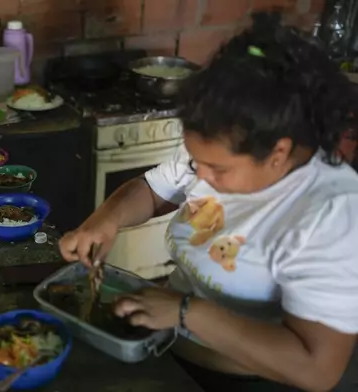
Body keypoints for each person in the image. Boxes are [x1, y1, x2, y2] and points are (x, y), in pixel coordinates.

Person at [60, 13, 358, 392]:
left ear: (278, 152)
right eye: (195, 161)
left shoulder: (332, 213)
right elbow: (152, 190)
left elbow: (317, 369)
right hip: (167, 351)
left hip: (244, 381)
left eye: (217, 169)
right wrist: (106, 220)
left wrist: (186, 312)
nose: (199, 177)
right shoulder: (217, 145)